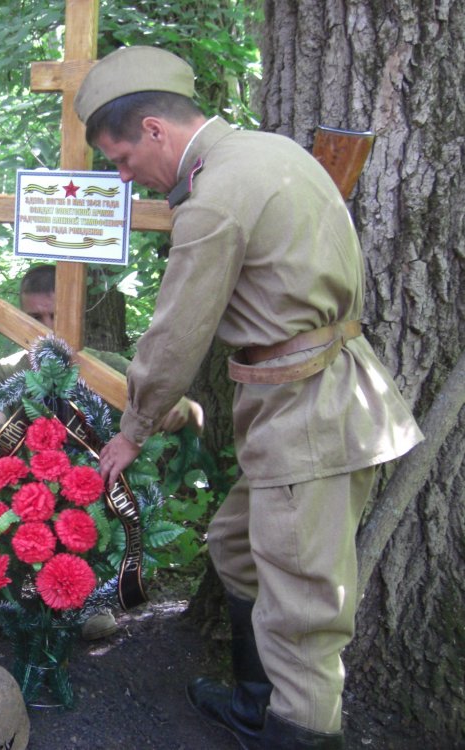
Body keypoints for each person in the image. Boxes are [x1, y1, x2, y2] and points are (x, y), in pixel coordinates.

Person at [75, 47, 423, 749]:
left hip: (310, 409)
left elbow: (176, 335)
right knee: (236, 543)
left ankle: (297, 730)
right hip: (307, 397)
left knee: (303, 610)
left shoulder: (216, 198)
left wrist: (133, 429)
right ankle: (253, 703)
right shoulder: (270, 152)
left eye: (121, 158)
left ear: (154, 130)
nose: (124, 177)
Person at [0, 263, 203, 640]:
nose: (47, 330)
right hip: (24, 498)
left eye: (55, 316)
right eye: (35, 318)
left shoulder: (105, 367)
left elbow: (181, 408)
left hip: (90, 496)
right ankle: (19, 597)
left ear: (75, 315)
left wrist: (182, 408)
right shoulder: (1, 372)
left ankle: (85, 598)